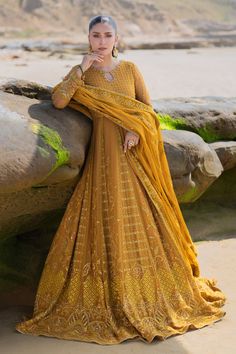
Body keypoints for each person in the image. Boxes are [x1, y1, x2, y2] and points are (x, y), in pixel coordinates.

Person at [15, 15, 227, 345]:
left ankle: (150, 290)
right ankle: (111, 291)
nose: (101, 41)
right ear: (88, 38)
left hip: (132, 154)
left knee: (142, 214)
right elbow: (59, 99)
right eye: (96, 35)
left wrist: (134, 130)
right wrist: (81, 68)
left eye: (107, 35)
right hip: (102, 156)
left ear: (117, 38)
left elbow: (147, 110)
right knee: (103, 215)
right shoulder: (82, 73)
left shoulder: (130, 69)